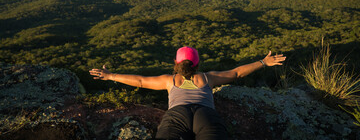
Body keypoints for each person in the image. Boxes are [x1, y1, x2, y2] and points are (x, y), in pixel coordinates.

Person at [89, 46, 286, 140]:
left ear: (176, 63)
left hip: (177, 114)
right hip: (206, 115)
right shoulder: (208, 78)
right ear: (198, 64)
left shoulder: (169, 80)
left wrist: (110, 75)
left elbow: (140, 81)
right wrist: (263, 62)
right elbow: (237, 73)